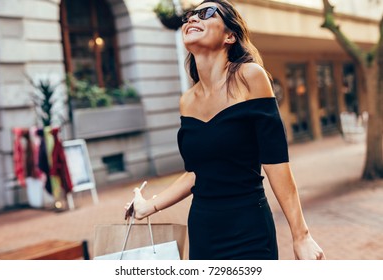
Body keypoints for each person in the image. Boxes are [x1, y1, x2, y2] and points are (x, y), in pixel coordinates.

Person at [125, 0, 325, 260]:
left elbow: (276, 162)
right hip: (204, 231)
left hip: (249, 228)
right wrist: (147, 206)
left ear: (230, 35)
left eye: (205, 13)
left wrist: (301, 235)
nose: (192, 19)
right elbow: (197, 173)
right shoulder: (187, 101)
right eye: (189, 15)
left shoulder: (250, 77)